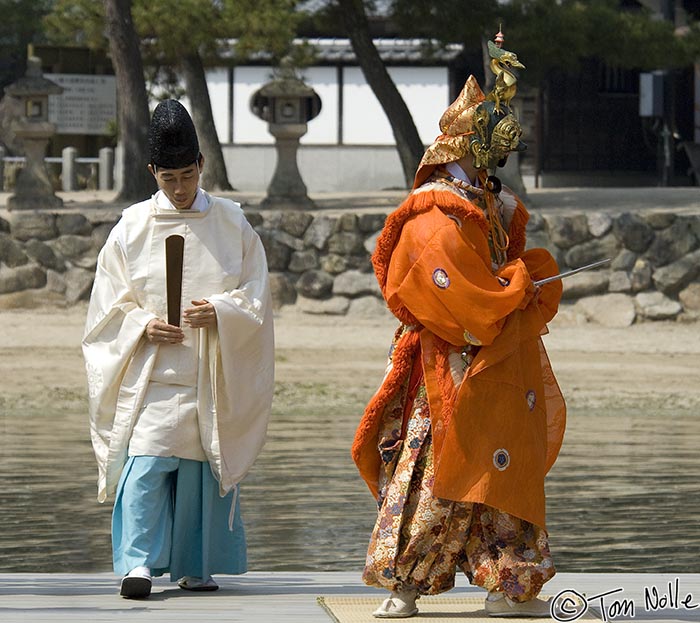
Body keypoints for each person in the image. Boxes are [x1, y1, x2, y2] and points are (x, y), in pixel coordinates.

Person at [351, 34, 566, 619]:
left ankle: (509, 582)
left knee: (503, 466)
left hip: (493, 359)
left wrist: (518, 277)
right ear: (460, 149)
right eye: (484, 153)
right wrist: (515, 289)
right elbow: (462, 294)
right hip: (447, 362)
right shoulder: (433, 213)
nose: (489, 166)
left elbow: (500, 272)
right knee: (433, 471)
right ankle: (405, 583)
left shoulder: (488, 205)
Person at [83, 99, 274, 599]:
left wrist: (222, 312)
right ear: (153, 172)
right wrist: (144, 324)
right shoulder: (131, 226)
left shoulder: (233, 223)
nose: (180, 187)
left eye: (188, 175)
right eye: (169, 177)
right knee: (145, 465)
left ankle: (195, 564)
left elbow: (255, 294)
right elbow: (108, 304)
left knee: (199, 471)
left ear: (202, 167)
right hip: (153, 375)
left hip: (211, 372)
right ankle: (138, 566)